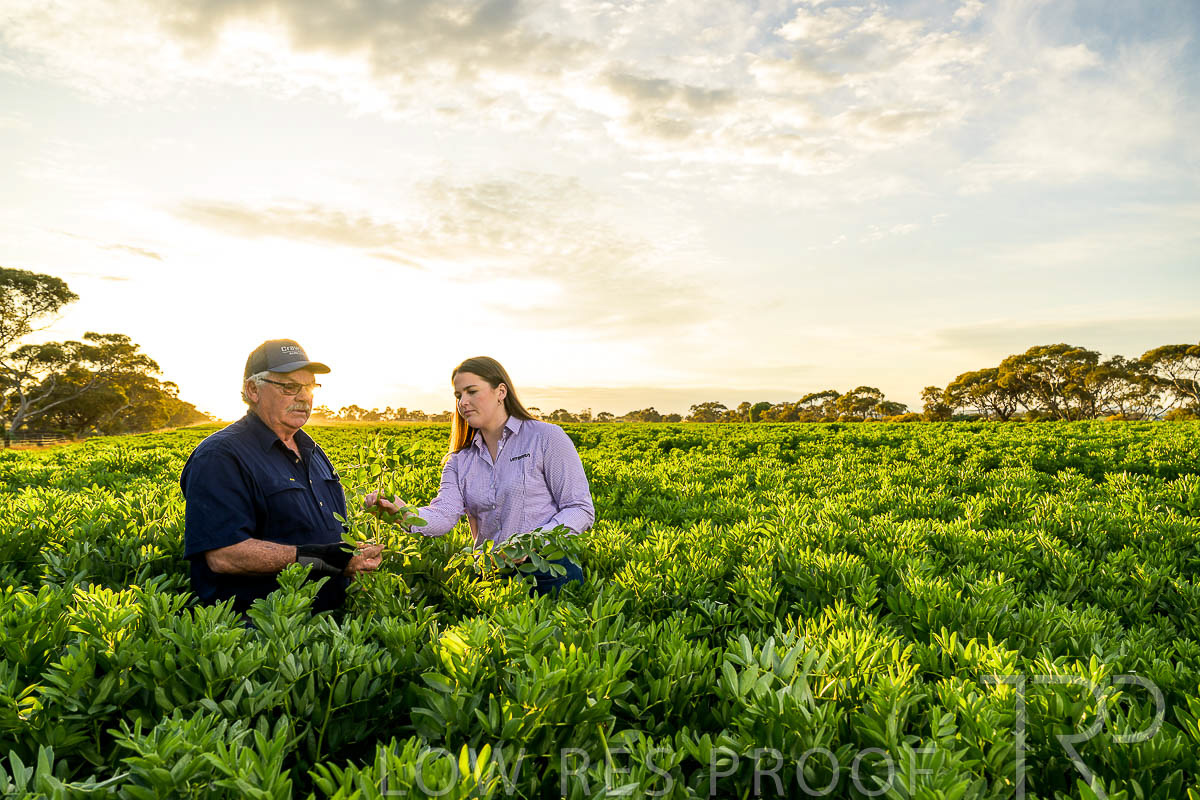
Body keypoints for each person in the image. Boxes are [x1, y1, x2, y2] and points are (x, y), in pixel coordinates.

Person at [180, 339, 382, 615]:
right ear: (253, 390)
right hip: (262, 629)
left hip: (327, 626)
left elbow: (326, 535)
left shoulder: (312, 450)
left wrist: (354, 558)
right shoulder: (220, 456)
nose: (304, 397)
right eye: (289, 387)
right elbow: (224, 555)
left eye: (309, 387)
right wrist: (325, 560)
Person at [369, 356, 594, 595]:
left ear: (501, 392)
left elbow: (580, 508)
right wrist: (403, 512)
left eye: (472, 391)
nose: (463, 402)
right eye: (458, 395)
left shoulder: (546, 437)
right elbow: (443, 515)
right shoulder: (459, 460)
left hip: (550, 573)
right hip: (491, 578)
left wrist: (531, 544)